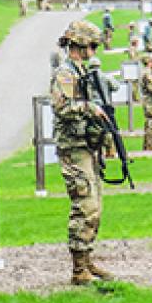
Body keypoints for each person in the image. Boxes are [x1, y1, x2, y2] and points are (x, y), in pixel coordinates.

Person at [50, 20, 114, 285]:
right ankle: (78, 270)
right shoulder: (65, 73)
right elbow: (62, 107)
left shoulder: (80, 71)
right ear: (80, 43)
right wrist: (88, 108)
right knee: (84, 206)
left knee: (95, 207)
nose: (94, 50)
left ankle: (86, 260)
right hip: (73, 148)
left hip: (86, 147)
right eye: (92, 45)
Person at [87, 56, 120, 159]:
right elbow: (116, 87)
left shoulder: (86, 78)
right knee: (107, 129)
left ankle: (97, 151)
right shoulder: (106, 77)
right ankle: (110, 150)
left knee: (94, 129)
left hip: (92, 107)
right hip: (105, 106)